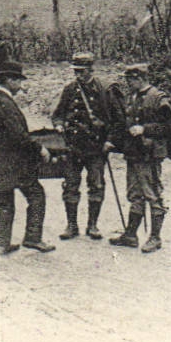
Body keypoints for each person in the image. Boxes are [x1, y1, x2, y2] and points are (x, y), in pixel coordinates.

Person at [108, 63, 171, 253]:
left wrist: (145, 129)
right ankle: (131, 235)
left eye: (129, 79)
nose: (127, 83)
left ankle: (155, 237)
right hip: (134, 153)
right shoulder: (132, 97)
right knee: (134, 193)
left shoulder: (159, 98)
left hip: (150, 156)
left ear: (139, 79)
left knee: (152, 194)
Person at [0, 60, 54, 256]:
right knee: (36, 195)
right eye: (18, 81)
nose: (20, 86)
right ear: (9, 80)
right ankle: (33, 238)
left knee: (4, 200)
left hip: (0, 160)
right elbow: (19, 135)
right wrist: (40, 149)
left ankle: (2, 244)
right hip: (14, 163)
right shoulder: (4, 103)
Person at [50, 52, 118, 240]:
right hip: (73, 146)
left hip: (96, 148)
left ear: (91, 69)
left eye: (81, 71)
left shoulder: (104, 90)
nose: (78, 75)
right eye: (76, 71)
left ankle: (93, 225)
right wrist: (58, 124)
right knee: (70, 185)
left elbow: (117, 120)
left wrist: (110, 141)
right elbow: (57, 114)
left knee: (96, 185)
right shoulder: (70, 89)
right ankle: (71, 225)